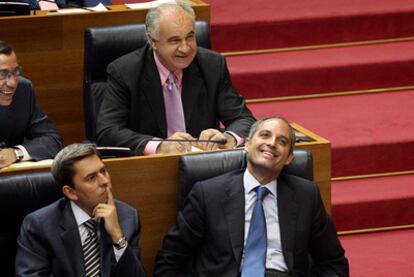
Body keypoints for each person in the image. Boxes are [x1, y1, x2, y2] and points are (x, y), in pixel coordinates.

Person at [154, 117, 349, 276]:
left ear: (289, 158)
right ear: (246, 145)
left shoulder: (307, 195)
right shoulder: (208, 193)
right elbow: (170, 260)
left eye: (282, 142)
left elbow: (333, 263)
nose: (272, 143)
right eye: (265, 135)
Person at [96, 0, 255, 155]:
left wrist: (228, 138)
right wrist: (159, 146)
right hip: (150, 167)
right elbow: (108, 131)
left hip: (202, 164)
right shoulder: (125, 71)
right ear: (153, 41)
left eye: (190, 37)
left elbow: (244, 119)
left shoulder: (212, 65)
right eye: (174, 40)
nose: (185, 48)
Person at [15, 143, 146, 277]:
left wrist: (117, 236)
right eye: (91, 178)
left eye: (103, 171)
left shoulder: (127, 217)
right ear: (71, 192)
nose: (105, 181)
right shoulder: (40, 226)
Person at [0, 40, 63, 168]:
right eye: (2, 74)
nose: (12, 83)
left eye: (16, 72)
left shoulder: (23, 90)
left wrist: (16, 153)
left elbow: (53, 140)